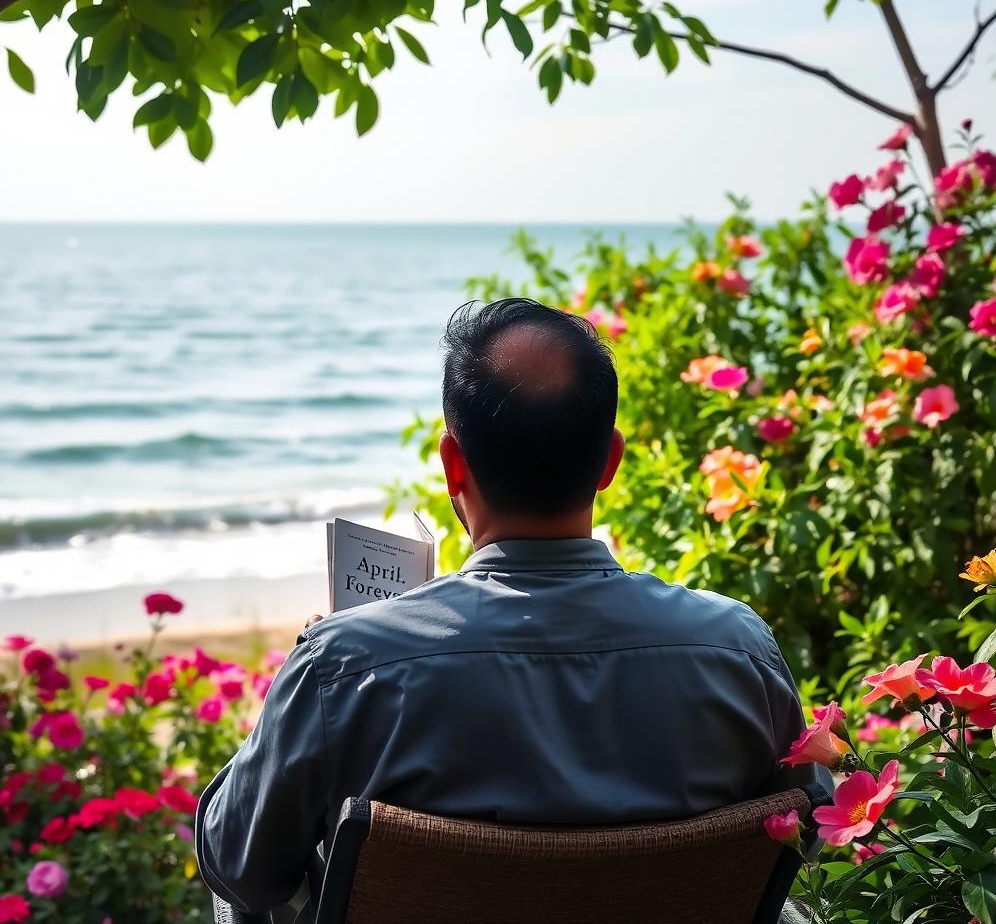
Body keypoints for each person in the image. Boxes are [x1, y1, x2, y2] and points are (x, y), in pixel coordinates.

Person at [196, 298, 827, 914]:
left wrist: (302, 694)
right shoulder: (738, 651)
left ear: (453, 466)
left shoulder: (345, 667)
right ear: (610, 461)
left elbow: (241, 871)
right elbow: (812, 830)